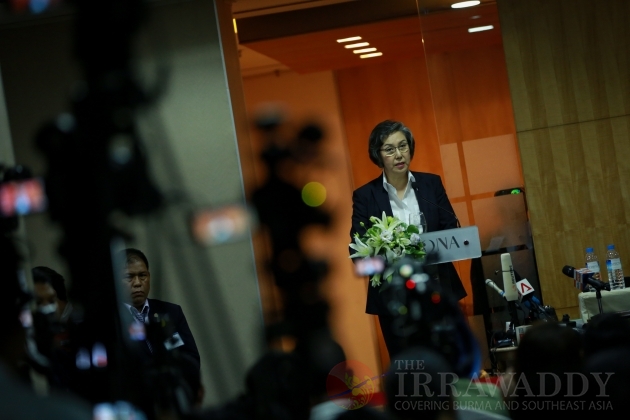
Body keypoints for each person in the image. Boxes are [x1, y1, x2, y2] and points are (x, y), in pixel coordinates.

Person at [350, 120, 466, 358]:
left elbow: (449, 228)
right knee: (408, 367)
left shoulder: (431, 184)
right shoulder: (365, 196)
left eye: (403, 146)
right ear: (378, 155)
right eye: (389, 149)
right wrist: (390, 262)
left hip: (437, 287)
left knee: (449, 359)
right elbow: (358, 254)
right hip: (393, 297)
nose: (399, 154)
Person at [116, 248, 201, 371]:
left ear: (149, 276)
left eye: (142, 275)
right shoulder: (111, 319)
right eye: (129, 277)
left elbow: (192, 359)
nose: (137, 283)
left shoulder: (171, 311)